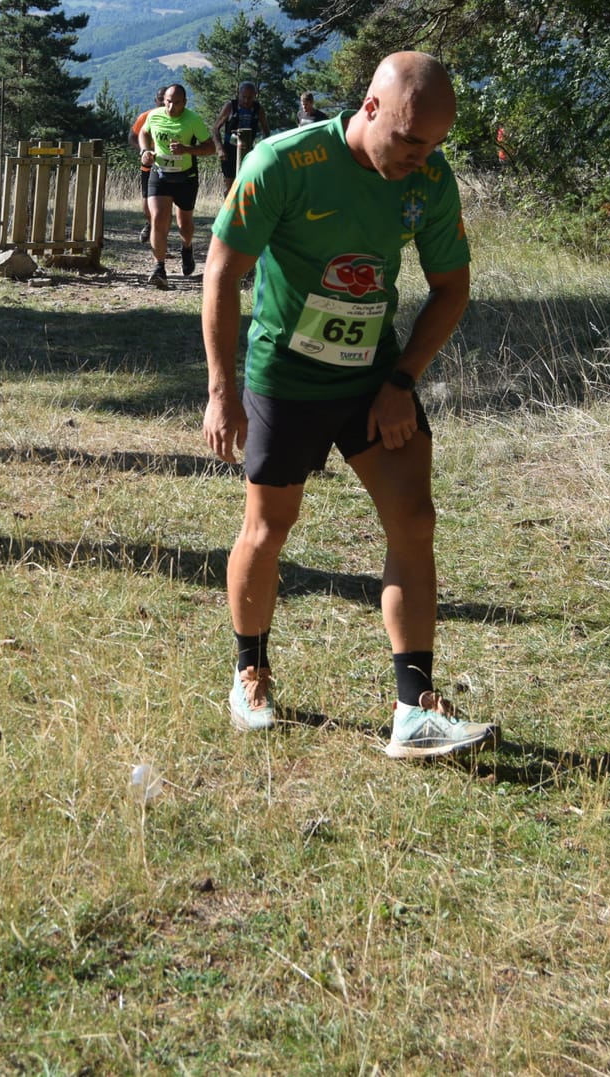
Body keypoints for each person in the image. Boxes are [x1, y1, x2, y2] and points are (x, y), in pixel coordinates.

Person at [201, 51, 493, 758]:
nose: (421, 157)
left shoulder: (426, 178)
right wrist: (222, 388)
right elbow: (223, 269)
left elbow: (451, 287)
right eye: (409, 140)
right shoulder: (282, 163)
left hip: (370, 379)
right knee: (268, 530)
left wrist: (402, 381)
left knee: (414, 521)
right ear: (369, 108)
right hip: (285, 378)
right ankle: (250, 672)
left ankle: (414, 708)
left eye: (433, 146)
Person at [138, 83, 215, 286]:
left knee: (185, 225)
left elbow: (210, 148)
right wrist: (145, 151)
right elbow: (143, 133)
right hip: (160, 174)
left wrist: (187, 149)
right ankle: (159, 267)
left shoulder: (193, 120)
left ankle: (186, 247)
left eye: (177, 103)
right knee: (158, 219)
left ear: (185, 102)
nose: (172, 107)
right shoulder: (154, 116)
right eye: (168, 102)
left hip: (185, 178)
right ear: (163, 100)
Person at [215, 81, 271, 188]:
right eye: (244, 96)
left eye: (250, 97)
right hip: (229, 149)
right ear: (239, 94)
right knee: (229, 184)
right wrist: (219, 148)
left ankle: (244, 204)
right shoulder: (230, 106)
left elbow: (266, 131)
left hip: (248, 149)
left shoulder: (258, 109)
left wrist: (263, 150)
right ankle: (230, 204)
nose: (246, 100)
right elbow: (215, 128)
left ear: (255, 96)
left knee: (247, 183)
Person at [130, 87, 167, 241]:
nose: (162, 102)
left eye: (165, 99)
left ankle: (158, 237)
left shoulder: (178, 119)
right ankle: (150, 223)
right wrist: (144, 151)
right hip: (148, 165)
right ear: (155, 100)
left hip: (169, 166)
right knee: (146, 204)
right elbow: (132, 137)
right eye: (160, 99)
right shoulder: (145, 116)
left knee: (162, 205)